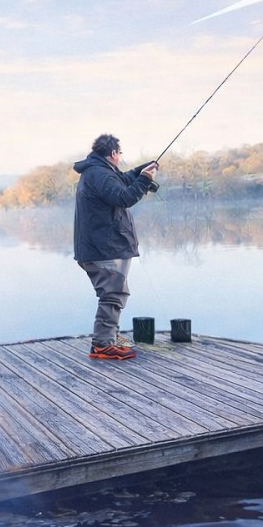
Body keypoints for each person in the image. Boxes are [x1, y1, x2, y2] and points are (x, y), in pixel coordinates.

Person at [72, 134, 158, 360]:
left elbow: (121, 182)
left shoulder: (99, 171)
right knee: (113, 293)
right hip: (104, 248)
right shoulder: (99, 174)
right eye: (119, 153)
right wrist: (145, 180)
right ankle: (102, 344)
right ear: (113, 154)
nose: (120, 157)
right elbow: (124, 197)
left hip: (103, 246)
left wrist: (141, 171)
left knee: (114, 293)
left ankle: (109, 339)